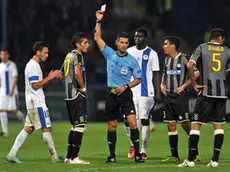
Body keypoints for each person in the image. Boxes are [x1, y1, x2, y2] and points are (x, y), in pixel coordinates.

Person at [94, 9, 144, 163]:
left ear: (128, 44)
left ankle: (137, 154)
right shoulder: (109, 53)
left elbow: (138, 78)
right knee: (112, 126)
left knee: (133, 123)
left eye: (126, 43)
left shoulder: (131, 60)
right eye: (121, 42)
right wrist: (98, 20)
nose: (123, 45)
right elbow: (97, 37)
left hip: (125, 94)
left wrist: (126, 87)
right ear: (116, 42)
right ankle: (112, 155)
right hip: (112, 94)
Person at [178, 28, 230, 167]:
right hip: (222, 93)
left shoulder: (202, 47)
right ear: (220, 38)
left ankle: (190, 160)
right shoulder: (227, 51)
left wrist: (194, 83)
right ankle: (214, 161)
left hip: (206, 91)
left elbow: (190, 65)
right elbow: (226, 71)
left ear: (212, 37)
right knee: (218, 127)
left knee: (196, 125)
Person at [6, 41, 63, 163]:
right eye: (45, 53)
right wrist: (50, 77)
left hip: (32, 102)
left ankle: (12, 154)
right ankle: (55, 157)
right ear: (38, 52)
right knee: (46, 128)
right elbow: (35, 84)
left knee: (28, 128)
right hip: (37, 103)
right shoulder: (33, 66)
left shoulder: (33, 65)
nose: (47, 55)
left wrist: (47, 77)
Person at [123, 27, 162, 160]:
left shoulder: (152, 53)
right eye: (135, 36)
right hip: (130, 92)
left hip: (146, 93)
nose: (137, 38)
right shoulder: (128, 52)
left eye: (139, 36)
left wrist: (158, 92)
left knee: (144, 120)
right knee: (127, 121)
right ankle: (133, 145)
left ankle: (143, 150)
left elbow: (156, 74)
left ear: (145, 38)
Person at [160, 37, 200, 163]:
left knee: (185, 124)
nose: (163, 46)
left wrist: (183, 86)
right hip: (169, 96)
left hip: (180, 97)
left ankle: (195, 154)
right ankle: (174, 155)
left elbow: (196, 73)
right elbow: (165, 74)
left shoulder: (184, 58)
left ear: (173, 46)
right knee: (171, 124)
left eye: (165, 44)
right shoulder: (166, 60)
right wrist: (162, 85)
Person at [60, 33, 90, 164]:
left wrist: (67, 84)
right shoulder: (77, 55)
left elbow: (61, 74)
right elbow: (77, 73)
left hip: (68, 95)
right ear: (78, 45)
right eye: (85, 43)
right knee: (80, 125)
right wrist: (82, 88)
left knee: (74, 126)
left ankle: (68, 157)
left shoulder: (68, 56)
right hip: (76, 95)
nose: (87, 45)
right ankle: (74, 158)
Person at [0, 49, 24, 136]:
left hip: (11, 91)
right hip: (3, 91)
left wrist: (12, 89)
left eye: (5, 54)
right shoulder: (0, 66)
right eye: (2, 55)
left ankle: (25, 122)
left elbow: (15, 77)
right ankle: (5, 131)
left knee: (14, 111)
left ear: (8, 55)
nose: (3, 56)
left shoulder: (11, 65)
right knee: (1, 109)